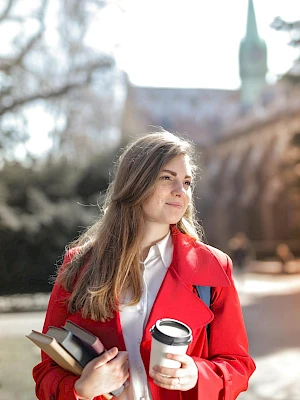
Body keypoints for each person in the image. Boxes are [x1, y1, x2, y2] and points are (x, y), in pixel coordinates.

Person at [33, 131, 255, 400]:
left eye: (187, 182)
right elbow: (47, 372)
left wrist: (197, 374)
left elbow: (238, 365)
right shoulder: (79, 265)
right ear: (135, 183)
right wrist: (81, 390)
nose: (180, 191)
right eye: (167, 178)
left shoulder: (213, 268)